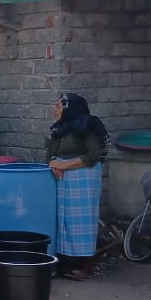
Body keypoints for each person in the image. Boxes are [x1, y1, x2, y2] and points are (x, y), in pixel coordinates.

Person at [47, 92, 110, 281]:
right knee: (63, 220)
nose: (55, 111)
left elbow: (93, 156)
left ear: (69, 109)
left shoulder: (86, 127)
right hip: (63, 178)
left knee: (81, 222)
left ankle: (86, 265)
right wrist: (52, 163)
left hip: (82, 179)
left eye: (58, 107)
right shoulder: (60, 128)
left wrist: (63, 165)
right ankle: (67, 261)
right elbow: (50, 151)